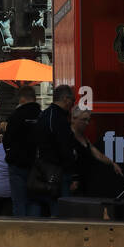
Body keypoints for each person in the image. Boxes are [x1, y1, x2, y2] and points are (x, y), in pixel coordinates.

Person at [31, 85, 78, 216]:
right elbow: (64, 147)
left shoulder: (45, 115)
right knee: (61, 208)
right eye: (72, 100)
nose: (72, 104)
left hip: (45, 169)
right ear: (65, 98)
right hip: (58, 171)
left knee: (48, 204)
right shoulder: (57, 118)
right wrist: (72, 173)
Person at [2, 86, 40, 218]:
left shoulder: (15, 116)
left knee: (19, 202)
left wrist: (10, 153)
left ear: (22, 98)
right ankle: (35, 231)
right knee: (34, 201)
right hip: (37, 165)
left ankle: (21, 233)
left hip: (17, 163)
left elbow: (7, 140)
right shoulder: (42, 115)